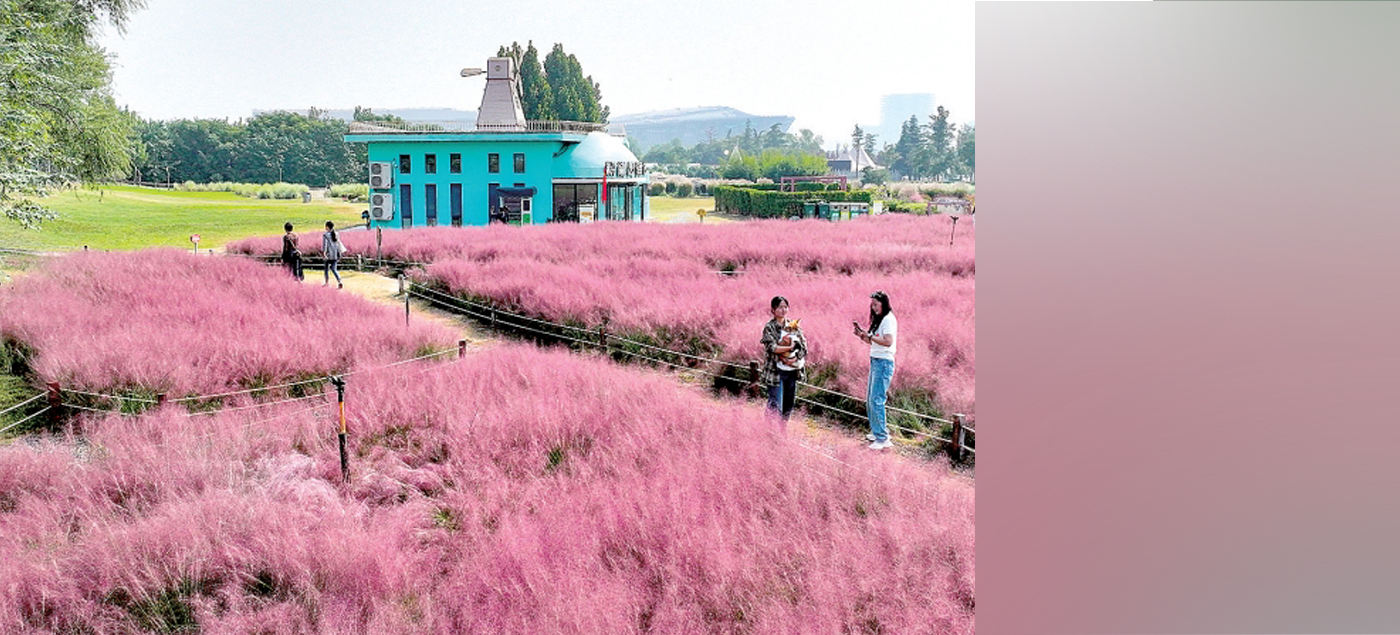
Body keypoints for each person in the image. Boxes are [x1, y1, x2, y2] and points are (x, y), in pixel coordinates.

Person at [853, 290, 896, 449]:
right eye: (872, 305)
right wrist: (861, 335)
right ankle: (877, 430)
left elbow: (888, 341)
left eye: (876, 304)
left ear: (884, 304)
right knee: (870, 398)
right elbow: (874, 341)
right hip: (876, 360)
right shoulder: (879, 320)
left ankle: (883, 438)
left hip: (884, 362)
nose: (873, 307)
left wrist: (869, 337)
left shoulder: (888, 319)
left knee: (876, 399)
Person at [760, 296, 806, 422]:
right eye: (780, 307)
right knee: (775, 403)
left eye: (785, 307)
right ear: (773, 310)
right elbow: (772, 348)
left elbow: (803, 346)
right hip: (775, 372)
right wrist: (790, 347)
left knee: (788, 404)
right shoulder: (769, 327)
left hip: (791, 371)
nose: (783, 310)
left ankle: (782, 430)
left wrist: (794, 358)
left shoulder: (793, 325)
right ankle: (769, 430)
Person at [322, 221, 343, 289]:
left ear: (327, 227)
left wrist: (324, 253)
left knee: (326, 270)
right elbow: (338, 244)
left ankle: (327, 283)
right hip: (335, 255)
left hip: (328, 255)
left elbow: (325, 245)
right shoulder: (336, 234)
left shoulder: (325, 235)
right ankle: (339, 281)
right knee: (334, 269)